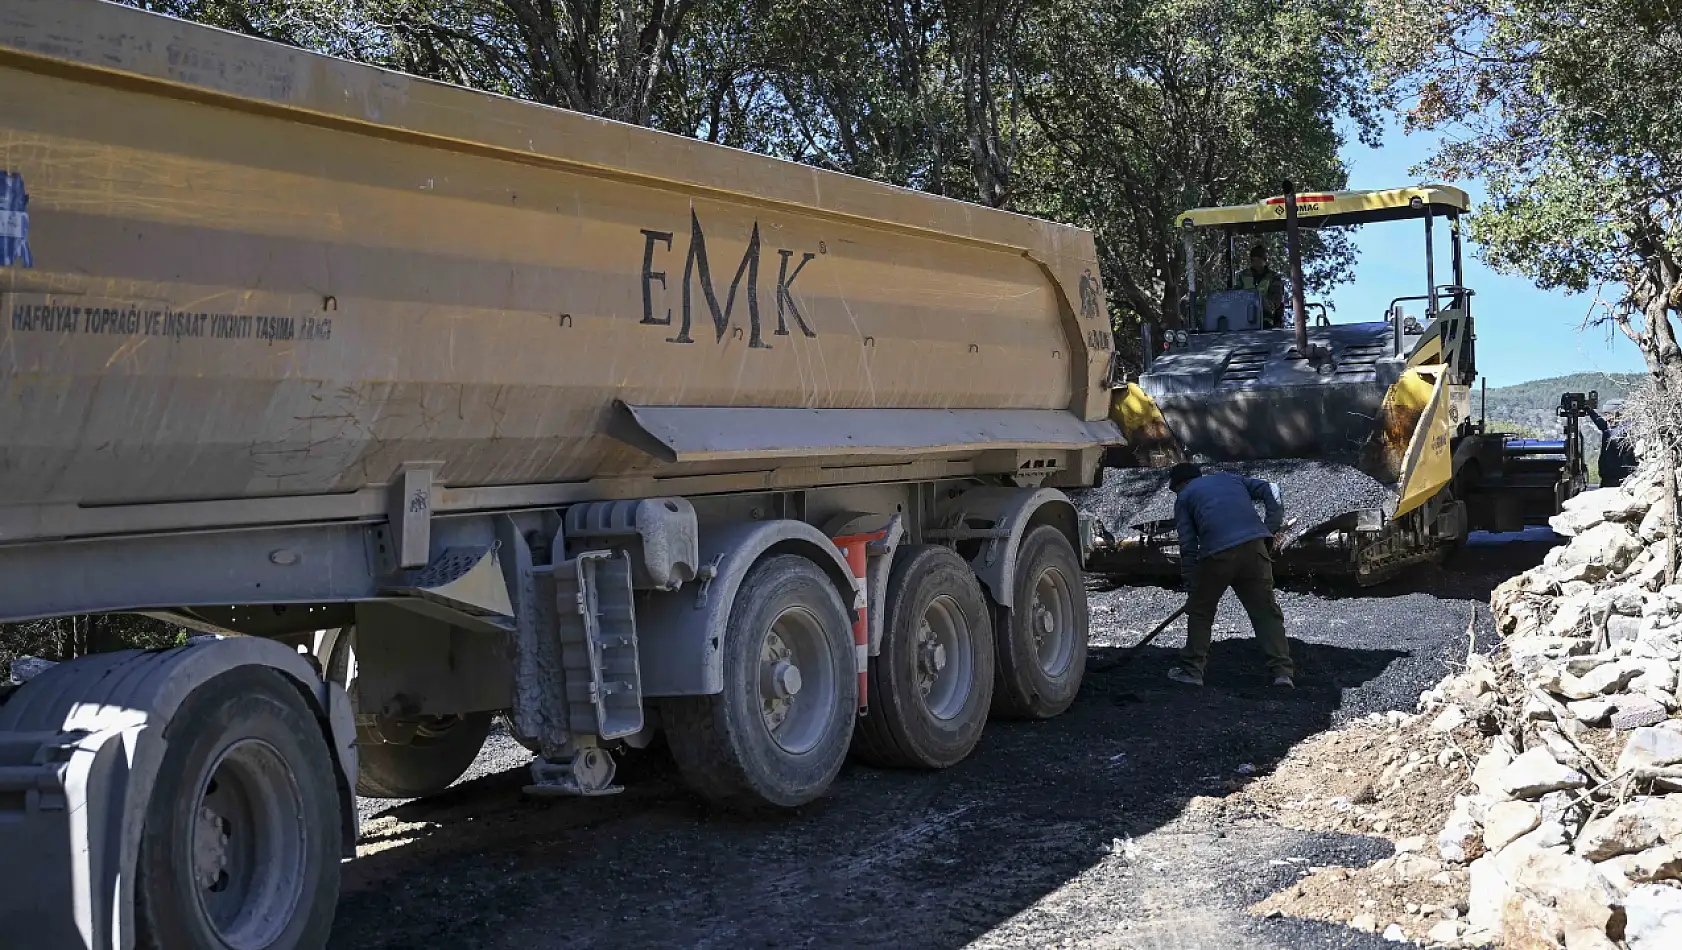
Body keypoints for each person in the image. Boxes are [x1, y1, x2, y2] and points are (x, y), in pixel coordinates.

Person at [1166, 462, 1295, 688]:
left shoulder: (1184, 496)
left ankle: (1192, 671)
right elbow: (1272, 488)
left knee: (1201, 613)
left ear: (1180, 484)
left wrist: (1191, 584)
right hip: (1255, 548)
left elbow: (1188, 545)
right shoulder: (1230, 478)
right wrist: (1270, 526)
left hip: (1217, 555)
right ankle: (1282, 672)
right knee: (1265, 612)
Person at [1236, 244, 1284, 329]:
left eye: (1258, 259)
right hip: (1243, 318)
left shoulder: (1274, 277)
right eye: (1253, 260)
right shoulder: (1242, 275)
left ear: (1264, 260)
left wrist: (1264, 303)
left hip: (1266, 319)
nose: (1255, 263)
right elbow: (1235, 294)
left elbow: (1276, 298)